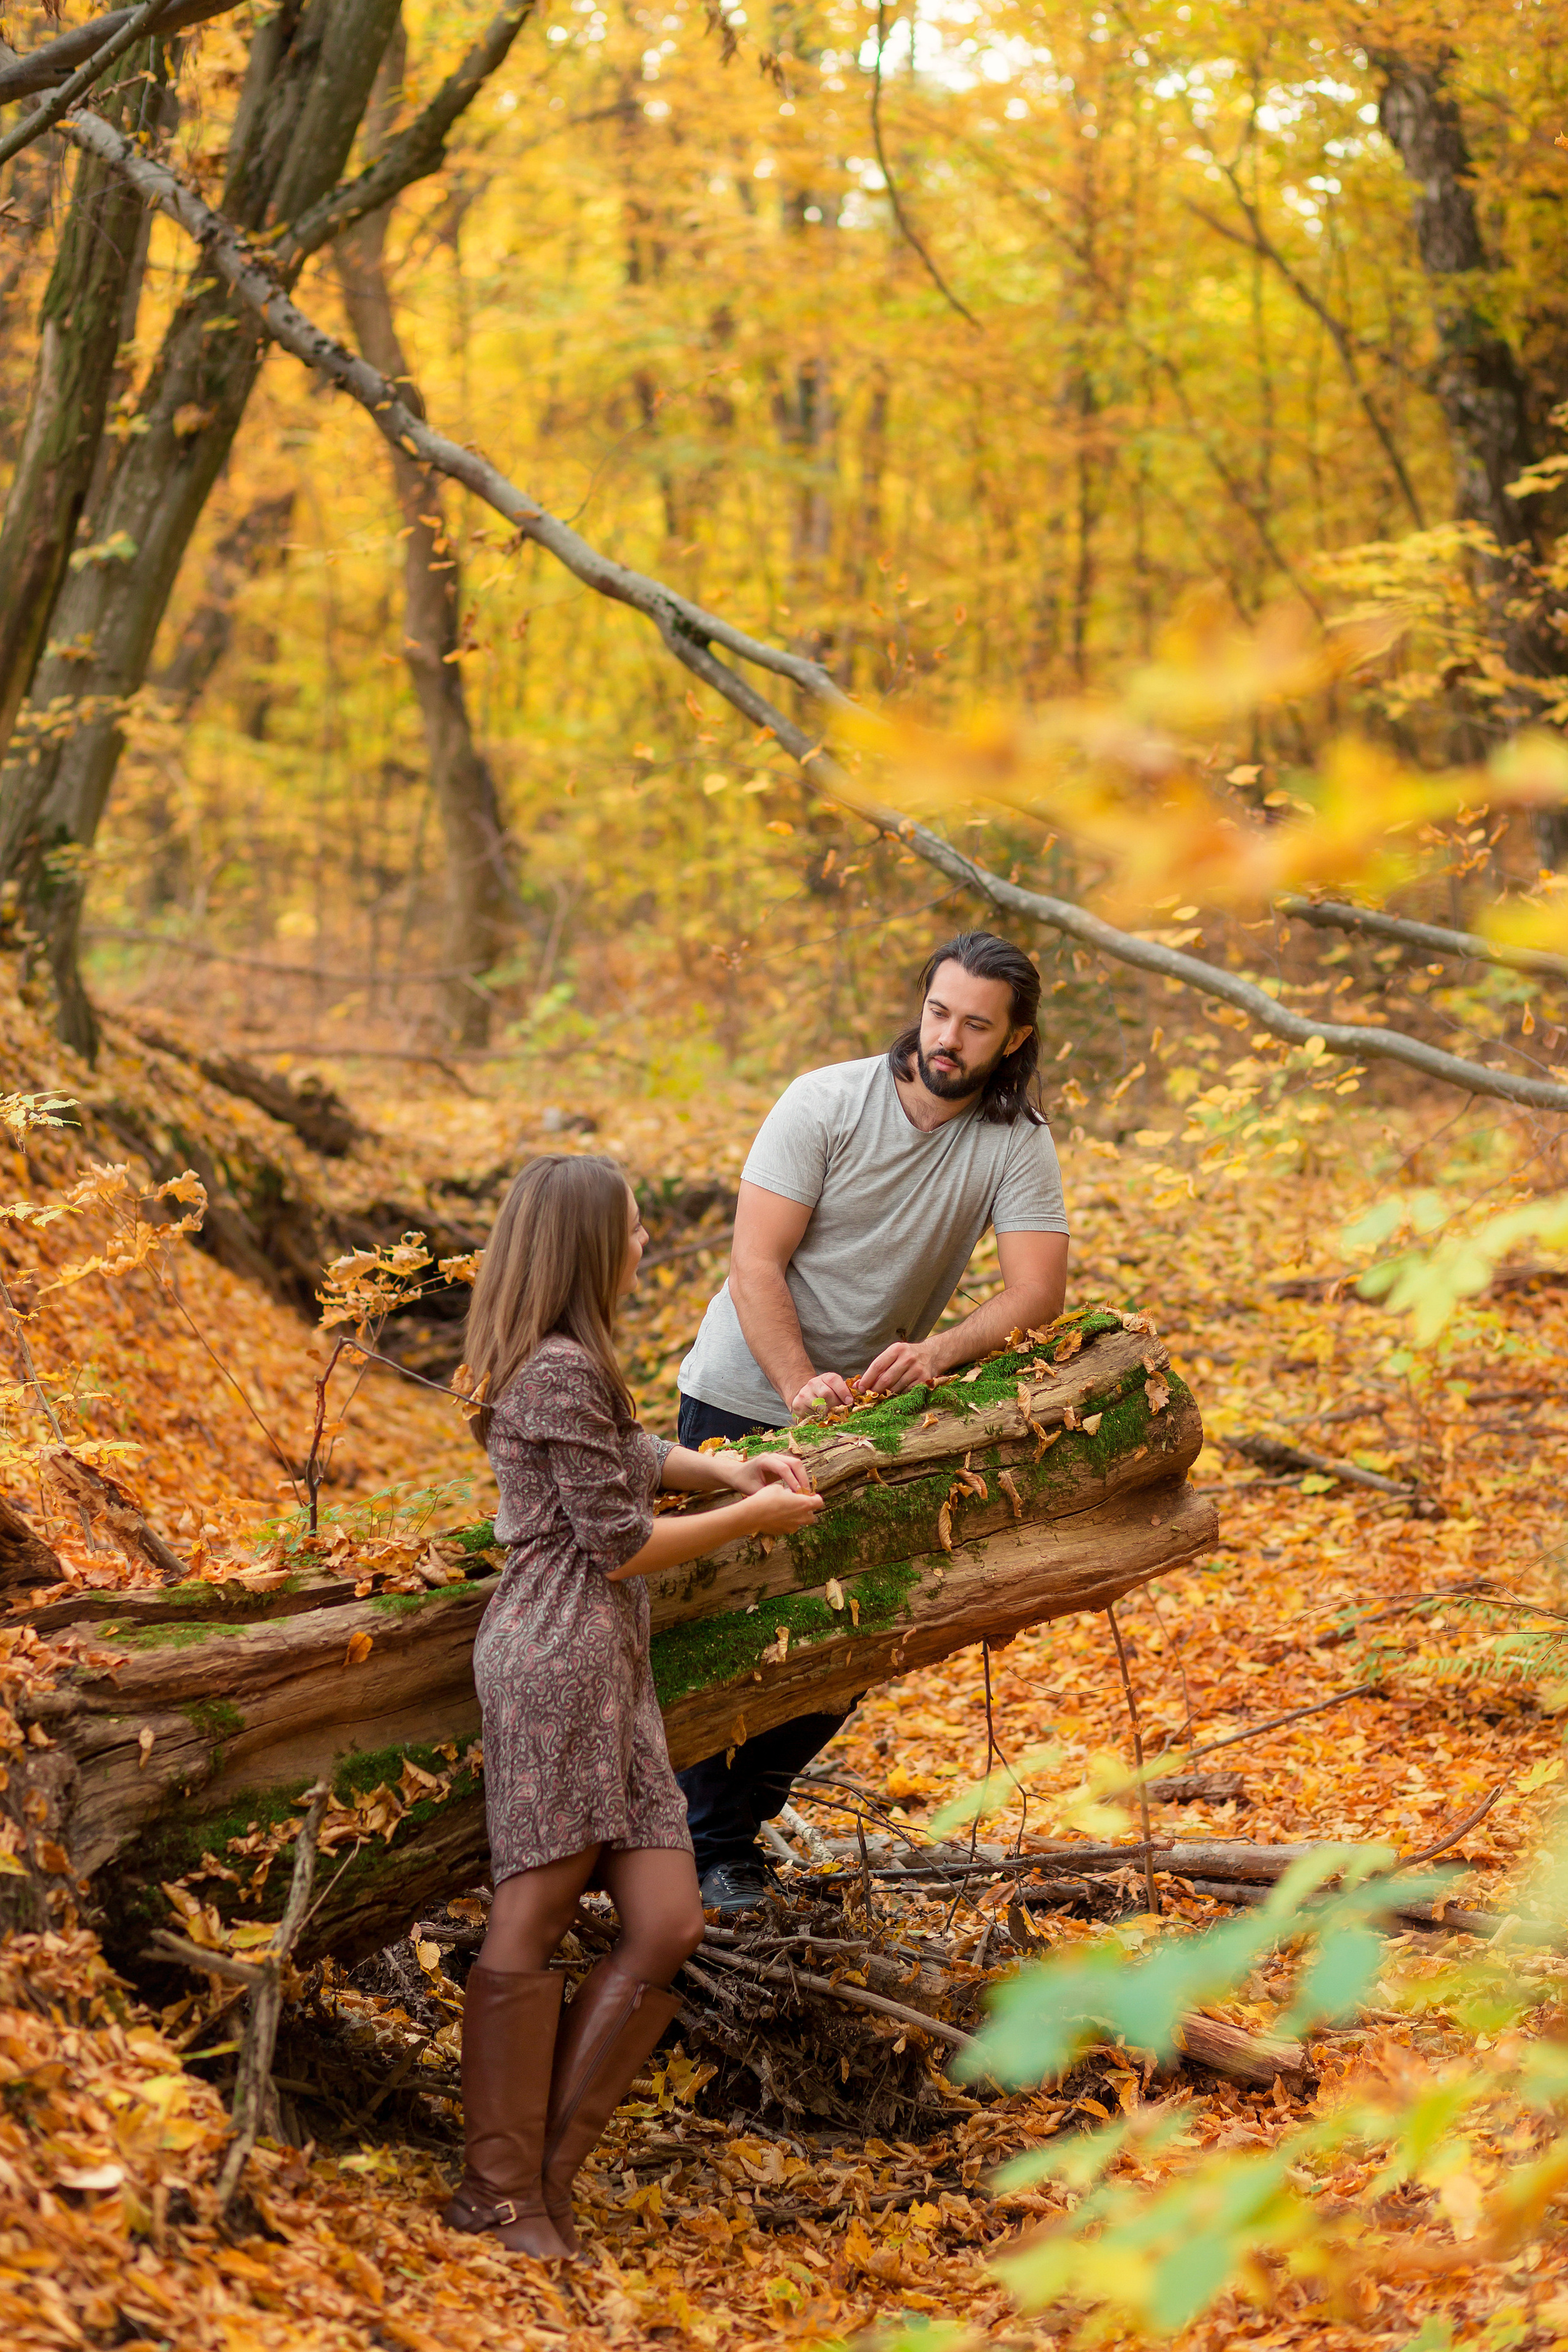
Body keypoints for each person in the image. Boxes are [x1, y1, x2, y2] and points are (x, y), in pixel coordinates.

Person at [447, 1154, 824, 2260]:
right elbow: (620, 1544)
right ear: (583, 1245)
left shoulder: (572, 1365)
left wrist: (727, 1475)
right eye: (632, 1225)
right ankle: (500, 2194)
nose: (645, 1241)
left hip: (609, 1672)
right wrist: (752, 1525)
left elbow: (629, 1460)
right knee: (533, 1917)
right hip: (554, 1660)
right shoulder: (558, 1368)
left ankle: (541, 2184)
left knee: (667, 1921)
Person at [674, 929, 1071, 1912]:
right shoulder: (825, 1101)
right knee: (710, 1628)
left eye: (977, 1025)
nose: (949, 1037)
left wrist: (936, 1354)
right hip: (739, 1395)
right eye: (940, 1012)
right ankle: (703, 1853)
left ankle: (726, 1831)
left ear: (1014, 1039)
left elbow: (1039, 1292)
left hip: (870, 1422)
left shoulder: (1015, 1144)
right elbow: (754, 1263)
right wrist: (799, 1378)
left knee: (850, 1643)